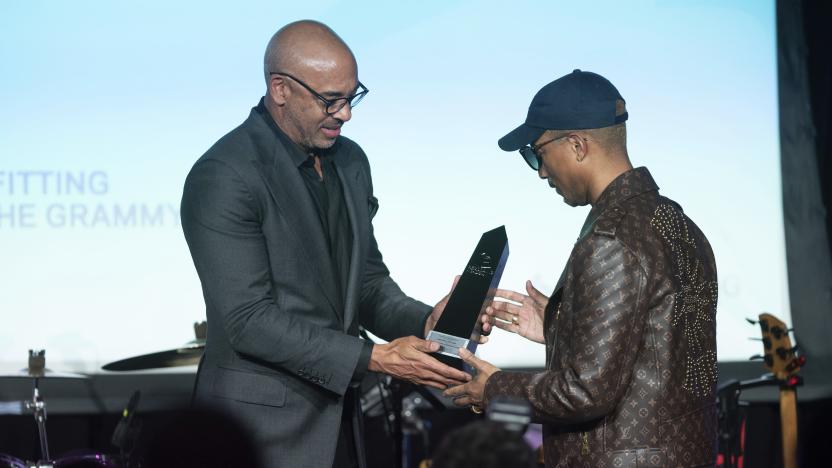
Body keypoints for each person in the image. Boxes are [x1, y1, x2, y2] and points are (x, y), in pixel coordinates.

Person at [180, 20, 470, 468]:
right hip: (259, 433)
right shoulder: (225, 174)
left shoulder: (350, 161)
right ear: (280, 89)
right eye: (330, 100)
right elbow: (249, 320)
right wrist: (373, 357)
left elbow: (367, 283)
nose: (346, 114)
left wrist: (426, 321)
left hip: (343, 423)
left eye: (352, 97)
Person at [444, 70, 719, 467]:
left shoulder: (611, 238)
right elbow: (661, 349)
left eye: (537, 152)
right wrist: (563, 327)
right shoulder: (677, 222)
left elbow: (586, 392)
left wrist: (494, 388)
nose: (540, 171)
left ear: (576, 145)